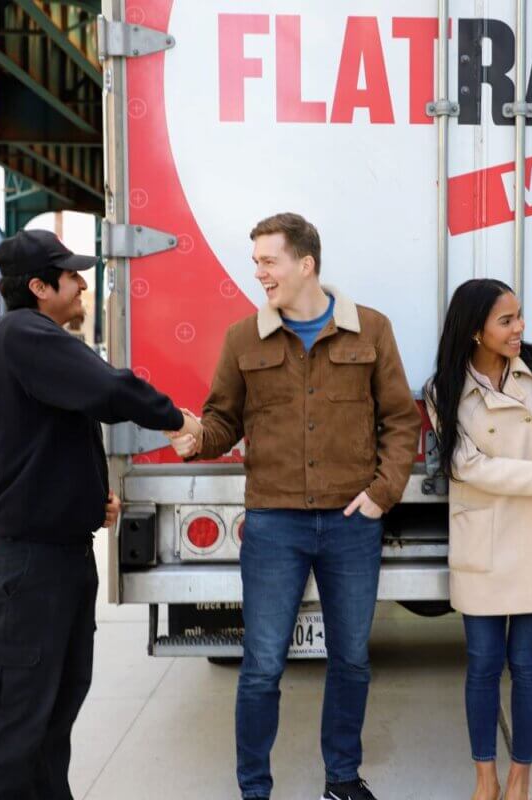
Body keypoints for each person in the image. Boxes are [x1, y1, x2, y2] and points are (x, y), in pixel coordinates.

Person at [168, 213, 421, 800]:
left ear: (305, 264)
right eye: (255, 260)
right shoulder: (242, 339)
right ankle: (254, 788)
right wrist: (198, 440)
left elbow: (402, 422)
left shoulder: (372, 331)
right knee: (261, 665)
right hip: (274, 523)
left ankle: (341, 778)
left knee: (352, 659)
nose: (258, 272)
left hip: (350, 523)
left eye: (268, 261)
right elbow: (223, 420)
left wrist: (383, 493)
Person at [0, 229, 200, 798]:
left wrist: (89, 497)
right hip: (30, 569)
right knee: (13, 727)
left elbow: (41, 438)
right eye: (71, 276)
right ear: (40, 287)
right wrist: (175, 419)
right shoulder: (24, 333)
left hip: (54, 560)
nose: (82, 284)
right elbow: (106, 388)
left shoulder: (22, 342)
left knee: (50, 720)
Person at [424, 278, 532, 800]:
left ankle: (520, 776)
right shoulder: (444, 388)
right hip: (485, 537)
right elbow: (465, 466)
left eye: (520, 317)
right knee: (483, 664)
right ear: (475, 330)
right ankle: (484, 775)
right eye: (506, 320)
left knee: (528, 665)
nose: (519, 328)